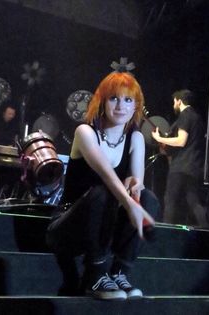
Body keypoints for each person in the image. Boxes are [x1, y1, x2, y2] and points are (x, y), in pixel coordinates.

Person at [46, 69, 159, 301]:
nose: (121, 106)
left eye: (128, 100)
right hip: (69, 227)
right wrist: (127, 198)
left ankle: (118, 272)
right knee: (102, 192)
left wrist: (134, 185)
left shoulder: (135, 139)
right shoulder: (85, 132)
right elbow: (106, 176)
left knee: (148, 199)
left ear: (136, 106)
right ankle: (95, 273)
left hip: (104, 228)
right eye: (114, 98)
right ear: (102, 101)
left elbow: (137, 187)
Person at [152, 89, 207, 227]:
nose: (173, 105)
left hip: (181, 167)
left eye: (174, 102)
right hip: (195, 168)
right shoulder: (197, 118)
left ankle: (166, 234)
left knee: (170, 201)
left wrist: (159, 138)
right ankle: (208, 231)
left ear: (179, 101)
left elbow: (181, 141)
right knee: (194, 203)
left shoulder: (185, 115)